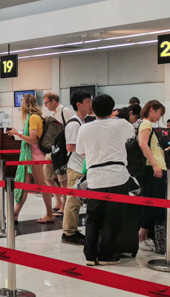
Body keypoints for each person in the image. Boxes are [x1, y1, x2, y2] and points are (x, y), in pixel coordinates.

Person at [77, 94, 136, 266]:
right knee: (112, 217)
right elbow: (130, 138)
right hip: (117, 176)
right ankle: (105, 255)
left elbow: (81, 151)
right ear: (112, 109)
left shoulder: (85, 128)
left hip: (95, 177)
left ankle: (90, 255)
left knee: (92, 217)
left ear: (93, 109)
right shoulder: (122, 124)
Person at [9, 93, 55, 224]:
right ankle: (15, 214)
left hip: (35, 157)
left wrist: (17, 134)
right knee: (24, 185)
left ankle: (50, 214)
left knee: (42, 186)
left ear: (26, 104)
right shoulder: (34, 117)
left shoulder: (34, 118)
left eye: (22, 102)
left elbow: (33, 139)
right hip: (31, 156)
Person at [61, 90, 93, 245]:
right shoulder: (74, 123)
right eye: (87, 102)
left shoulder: (81, 121)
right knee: (73, 200)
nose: (90, 105)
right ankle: (68, 233)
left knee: (76, 201)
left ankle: (71, 230)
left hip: (80, 166)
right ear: (78, 104)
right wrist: (89, 153)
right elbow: (70, 146)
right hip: (75, 167)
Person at [137, 100, 167, 252]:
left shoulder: (146, 124)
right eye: (159, 113)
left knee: (154, 203)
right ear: (152, 110)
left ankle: (146, 235)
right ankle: (142, 236)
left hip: (155, 167)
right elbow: (143, 144)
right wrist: (155, 165)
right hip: (152, 169)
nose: (159, 117)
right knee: (153, 204)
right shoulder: (146, 124)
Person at [42, 92, 69, 216]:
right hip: (53, 149)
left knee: (63, 179)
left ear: (53, 101)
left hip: (62, 150)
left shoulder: (65, 111)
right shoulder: (54, 114)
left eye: (46, 102)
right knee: (47, 175)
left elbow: (71, 129)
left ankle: (64, 204)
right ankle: (58, 201)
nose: (45, 105)